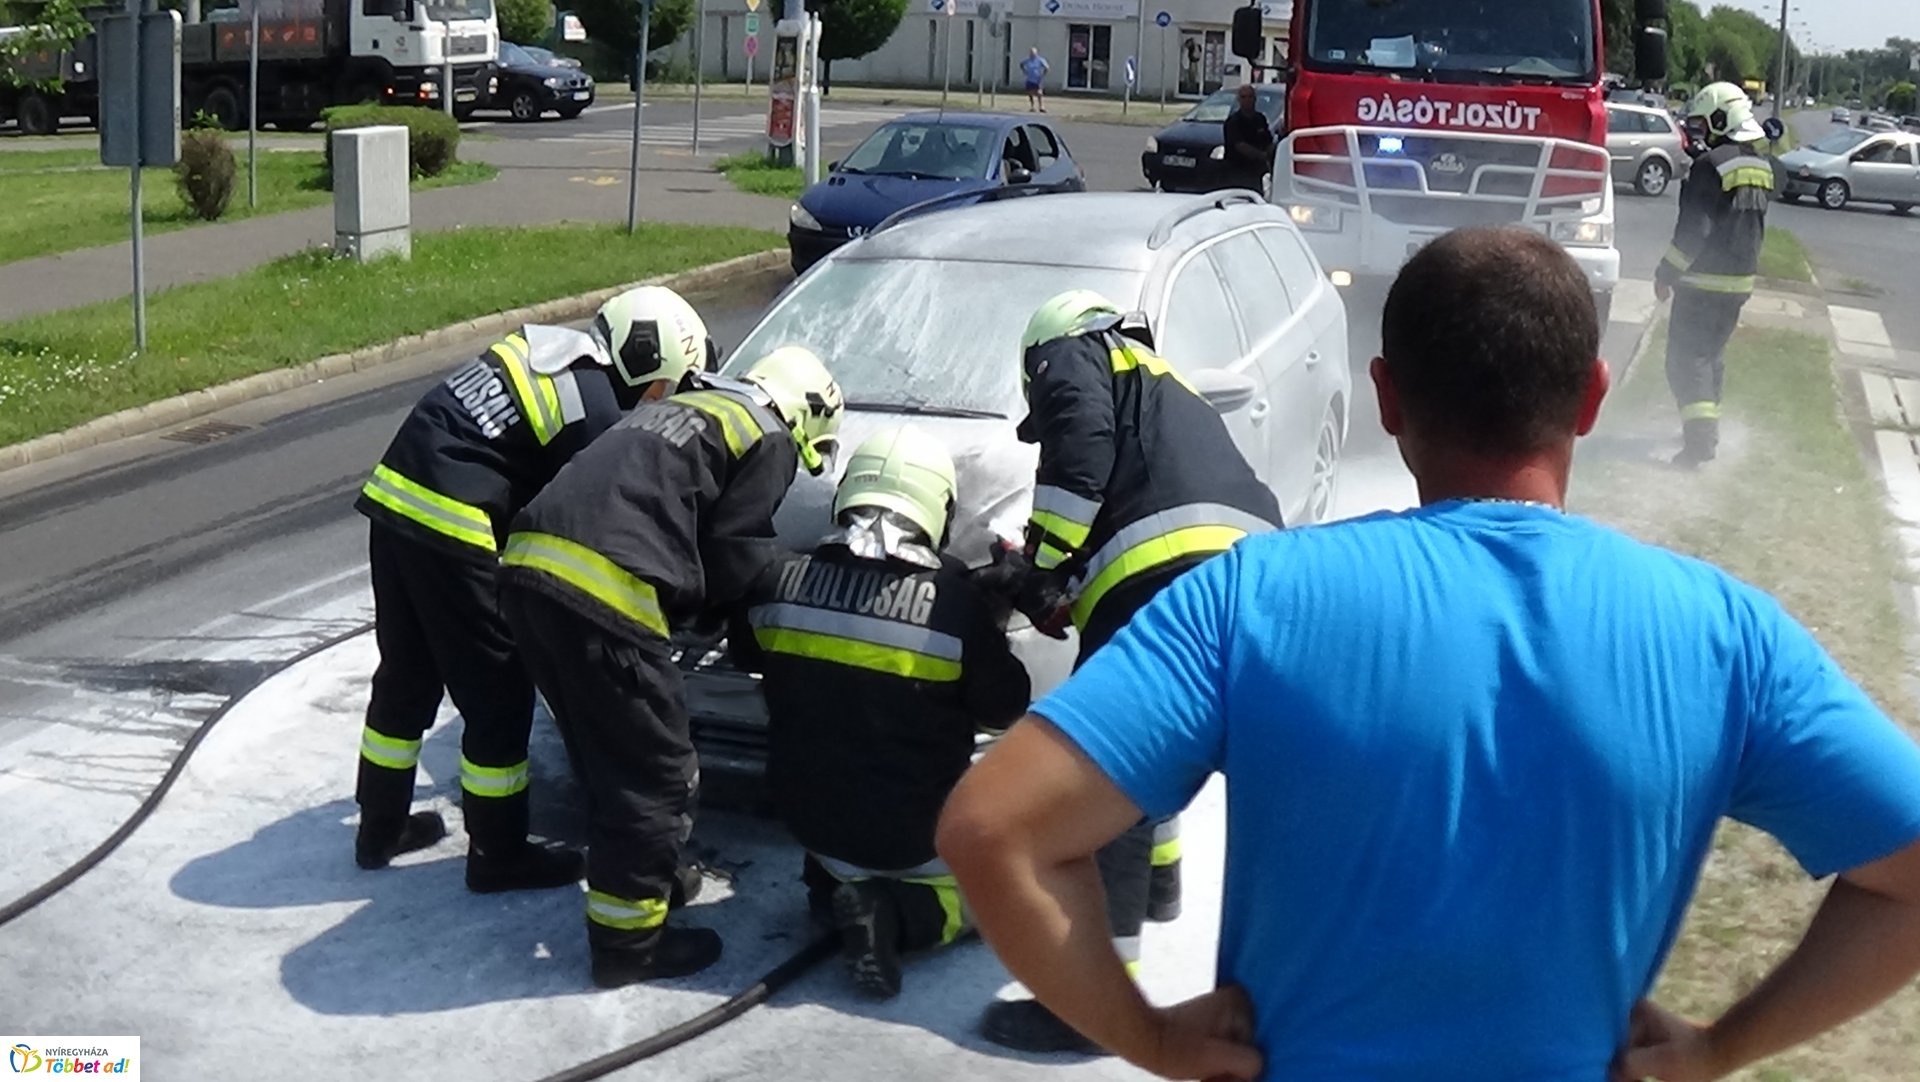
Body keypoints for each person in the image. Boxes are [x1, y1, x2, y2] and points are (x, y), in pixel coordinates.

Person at [936, 226, 1920, 1081]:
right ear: (1591, 397)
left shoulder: (1252, 597)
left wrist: (1148, 1037)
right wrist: (1718, 1048)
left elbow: (995, 829)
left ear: (1387, 397)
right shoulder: (1725, 634)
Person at [969, 290, 1283, 1054]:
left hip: (1168, 574)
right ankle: (1161, 886)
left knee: (1102, 776)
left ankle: (1090, 1010)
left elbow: (1080, 456)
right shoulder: (1164, 394)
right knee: (1162, 747)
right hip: (1253, 573)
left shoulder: (1075, 350)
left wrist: (1035, 559)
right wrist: (1058, 583)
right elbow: (1121, 510)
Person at [497, 345, 843, 988]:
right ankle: (629, 947)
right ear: (808, 412)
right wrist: (756, 635)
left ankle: (646, 882)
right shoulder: (766, 434)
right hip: (602, 592)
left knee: (607, 759)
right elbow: (736, 552)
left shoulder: (689, 408)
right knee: (657, 775)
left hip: (526, 574)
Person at [351, 286, 716, 891]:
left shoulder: (554, 351)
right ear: (650, 366)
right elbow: (591, 517)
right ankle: (498, 854)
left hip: (394, 502)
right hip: (453, 522)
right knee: (498, 694)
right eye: (665, 388)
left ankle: (379, 826)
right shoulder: (594, 409)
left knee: (406, 675)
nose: (660, 402)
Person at [728, 425, 1030, 1000]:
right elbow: (1005, 709)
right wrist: (987, 619)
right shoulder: (955, 605)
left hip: (807, 818)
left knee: (841, 829)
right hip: (910, 833)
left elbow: (748, 649)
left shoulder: (776, 579)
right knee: (997, 896)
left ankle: (837, 889)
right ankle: (896, 911)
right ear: (935, 508)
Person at [1655, 81, 1773, 468]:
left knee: (1685, 360)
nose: (1698, 133)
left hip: (1703, 282)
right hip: (1740, 281)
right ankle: (1704, 428)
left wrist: (1666, 272)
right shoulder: (1759, 165)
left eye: (1704, 124)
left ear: (1722, 118)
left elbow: (1694, 231)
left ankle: (1700, 442)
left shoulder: (1711, 166)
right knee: (1711, 357)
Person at [1220, 83, 1274, 193]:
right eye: (1243, 97)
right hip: (1237, 171)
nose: (1247, 100)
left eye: (1250, 97)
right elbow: (1239, 145)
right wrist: (1261, 155)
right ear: (1239, 100)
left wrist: (1271, 157)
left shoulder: (1260, 119)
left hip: (1257, 172)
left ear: (1255, 99)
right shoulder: (1233, 121)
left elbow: (1268, 141)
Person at [1022, 47, 1050, 112]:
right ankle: (1032, 106)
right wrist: (1025, 71)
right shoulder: (1027, 60)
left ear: (1036, 53)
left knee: (1039, 93)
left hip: (1038, 79)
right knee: (1030, 93)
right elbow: (1021, 64)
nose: (1032, 54)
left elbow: (1047, 67)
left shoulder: (1040, 60)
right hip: (1029, 79)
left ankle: (1041, 107)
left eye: (1033, 53)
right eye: (1031, 53)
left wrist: (1042, 74)